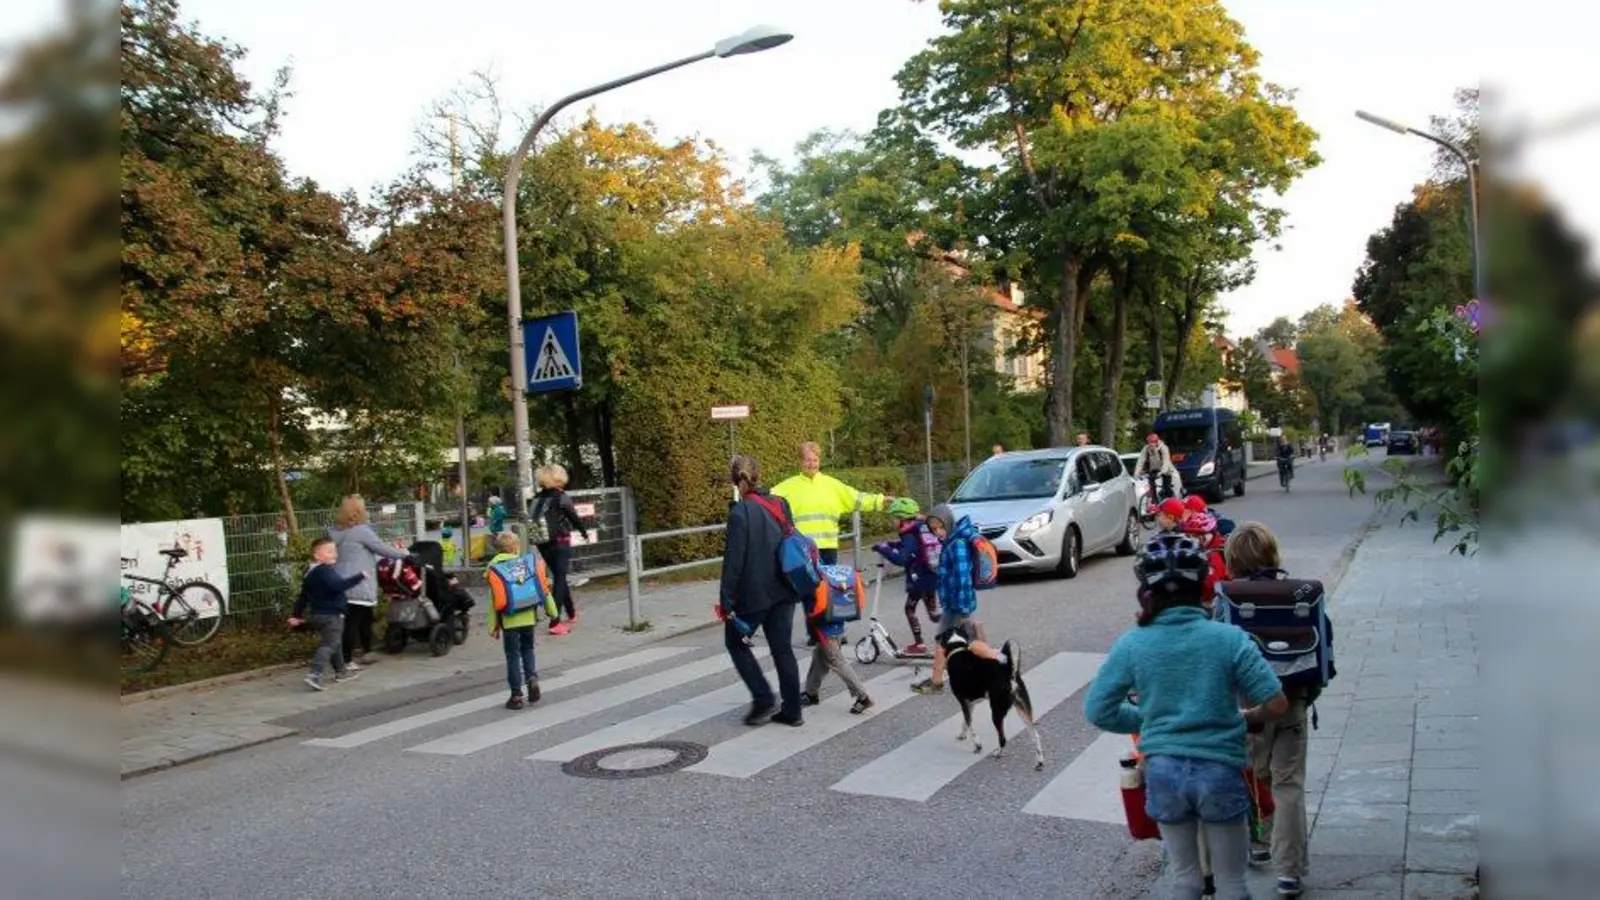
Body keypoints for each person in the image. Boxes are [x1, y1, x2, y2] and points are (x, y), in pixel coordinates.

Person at [1084, 533, 1288, 900]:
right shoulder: (1229, 639)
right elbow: (1276, 703)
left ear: (1146, 591)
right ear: (1204, 585)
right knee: (1232, 882)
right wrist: (1243, 717)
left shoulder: (1133, 643)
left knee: (1185, 881)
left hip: (1164, 773)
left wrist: (1148, 719)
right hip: (1220, 770)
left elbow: (1098, 710)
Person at [1225, 522, 1312, 898]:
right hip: (1291, 698)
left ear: (1231, 561)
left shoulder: (1225, 599)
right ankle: (1289, 872)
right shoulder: (1299, 595)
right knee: (1289, 783)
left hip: (1247, 703)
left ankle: (1259, 845)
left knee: (1254, 775)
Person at [719, 455, 805, 727]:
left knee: (735, 643)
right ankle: (792, 711)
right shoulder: (781, 504)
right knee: (782, 650)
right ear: (760, 475)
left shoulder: (740, 512)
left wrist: (726, 601)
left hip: (753, 594)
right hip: (785, 587)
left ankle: (763, 697)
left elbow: (734, 562)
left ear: (736, 480)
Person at [910, 504, 1006, 695]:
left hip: (957, 603)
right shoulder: (951, 541)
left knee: (941, 640)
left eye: (940, 527)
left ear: (948, 523)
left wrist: (960, 607)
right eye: (933, 529)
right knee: (970, 642)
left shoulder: (958, 545)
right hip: (956, 602)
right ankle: (1000, 662)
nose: (938, 532)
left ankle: (936, 682)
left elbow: (963, 578)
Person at [770, 442, 897, 567]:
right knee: (806, 587)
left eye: (815, 460)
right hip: (801, 548)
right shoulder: (786, 487)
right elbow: (765, 503)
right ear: (800, 462)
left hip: (828, 549)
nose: (812, 464)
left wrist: (881, 500)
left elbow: (857, 498)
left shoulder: (833, 485)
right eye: (808, 460)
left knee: (829, 585)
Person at [327, 495, 410, 667]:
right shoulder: (361, 531)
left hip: (339, 582)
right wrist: (405, 554)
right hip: (358, 584)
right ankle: (346, 660)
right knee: (353, 623)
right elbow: (381, 548)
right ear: (358, 511)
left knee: (365, 617)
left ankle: (367, 650)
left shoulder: (333, 532)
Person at [487, 531, 558, 710]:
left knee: (512, 656)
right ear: (516, 547)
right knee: (528, 649)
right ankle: (532, 679)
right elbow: (543, 588)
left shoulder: (494, 568)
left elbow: (493, 600)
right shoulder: (527, 564)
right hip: (528, 617)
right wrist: (552, 612)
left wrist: (492, 626)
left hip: (509, 619)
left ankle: (516, 696)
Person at [286, 536, 365, 691]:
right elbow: (339, 586)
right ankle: (315, 674)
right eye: (329, 552)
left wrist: (296, 615)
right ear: (317, 556)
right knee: (330, 644)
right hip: (332, 616)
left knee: (335, 642)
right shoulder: (326, 572)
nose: (334, 554)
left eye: (334, 551)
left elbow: (303, 597)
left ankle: (341, 671)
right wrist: (359, 577)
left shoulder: (311, 574)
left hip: (319, 615)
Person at [871, 497, 941, 655]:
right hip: (930, 574)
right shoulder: (920, 528)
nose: (893, 521)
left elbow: (901, 559)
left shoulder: (909, 534)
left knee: (912, 610)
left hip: (920, 578)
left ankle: (922, 644)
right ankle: (955, 627)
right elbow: (912, 548)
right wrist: (892, 544)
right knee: (931, 613)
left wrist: (883, 548)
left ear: (902, 519)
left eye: (894, 518)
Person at [532, 464, 591, 636]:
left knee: (559, 576)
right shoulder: (561, 496)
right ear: (558, 477)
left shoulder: (537, 497)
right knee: (559, 577)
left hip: (542, 542)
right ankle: (555, 621)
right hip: (559, 541)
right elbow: (573, 516)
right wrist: (583, 531)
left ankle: (571, 612)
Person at [1135, 432, 1179, 502]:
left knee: (1166, 488)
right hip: (1154, 469)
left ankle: (1170, 500)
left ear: (1157, 442)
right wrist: (1137, 473)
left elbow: (1166, 461)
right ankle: (1154, 501)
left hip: (1166, 470)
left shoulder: (1163, 448)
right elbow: (1140, 461)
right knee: (1152, 487)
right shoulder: (1146, 449)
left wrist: (1162, 472)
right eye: (1149, 442)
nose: (1151, 444)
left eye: (1153, 442)